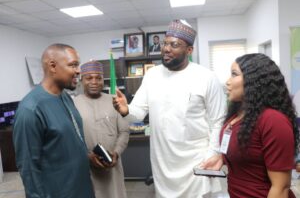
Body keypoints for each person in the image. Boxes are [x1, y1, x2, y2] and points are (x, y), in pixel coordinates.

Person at [113, 19, 227, 197]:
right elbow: (139, 111)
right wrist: (126, 110)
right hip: (163, 161)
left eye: (174, 45)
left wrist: (212, 154)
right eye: (165, 43)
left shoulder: (206, 77)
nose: (166, 48)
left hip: (197, 160)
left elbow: (218, 121)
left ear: (189, 50)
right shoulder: (152, 75)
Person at [13, 44, 95, 198]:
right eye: (73, 65)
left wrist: (87, 156)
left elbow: (67, 140)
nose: (79, 71)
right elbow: (28, 167)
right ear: (52, 66)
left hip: (82, 187)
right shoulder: (30, 109)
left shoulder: (65, 96)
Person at [220, 53, 299, 198]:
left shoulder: (272, 121)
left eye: (234, 74)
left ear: (254, 80)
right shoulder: (236, 116)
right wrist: (220, 158)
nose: (228, 82)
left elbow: (280, 188)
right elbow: (245, 155)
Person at [74, 61, 129, 198]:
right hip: (86, 166)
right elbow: (70, 137)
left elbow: (124, 131)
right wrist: (86, 155)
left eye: (98, 78)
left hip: (112, 165)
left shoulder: (114, 101)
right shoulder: (72, 104)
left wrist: (116, 153)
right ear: (81, 80)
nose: (94, 82)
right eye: (89, 78)